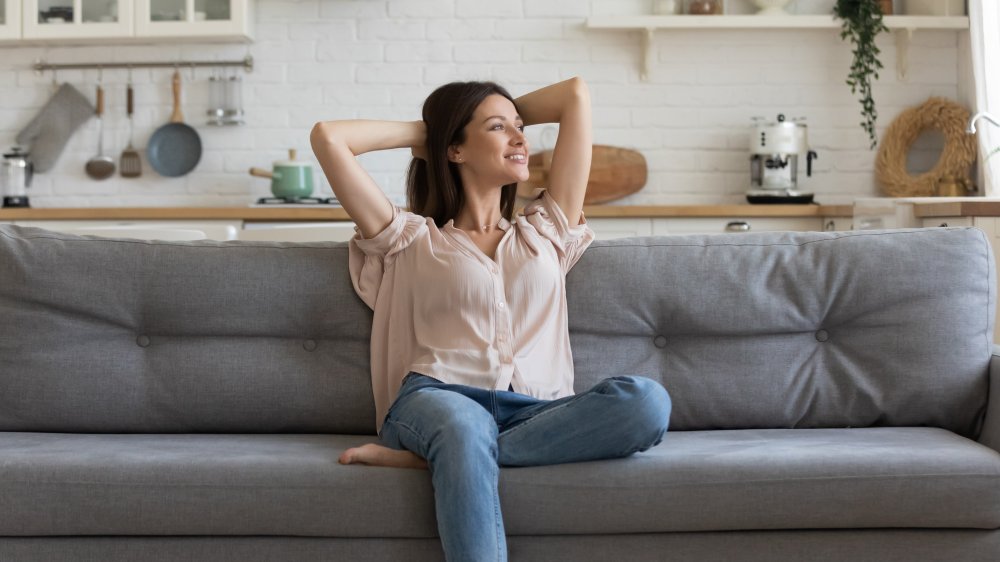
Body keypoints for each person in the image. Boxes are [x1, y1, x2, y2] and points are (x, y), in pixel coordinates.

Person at [310, 76, 671, 562]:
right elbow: (329, 138)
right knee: (463, 425)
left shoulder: (547, 232)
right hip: (437, 399)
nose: (521, 138)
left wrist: (484, 124)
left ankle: (439, 461)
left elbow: (575, 95)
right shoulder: (409, 240)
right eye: (499, 128)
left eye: (520, 126)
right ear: (454, 151)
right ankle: (451, 449)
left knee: (646, 402)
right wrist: (433, 133)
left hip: (535, 409)